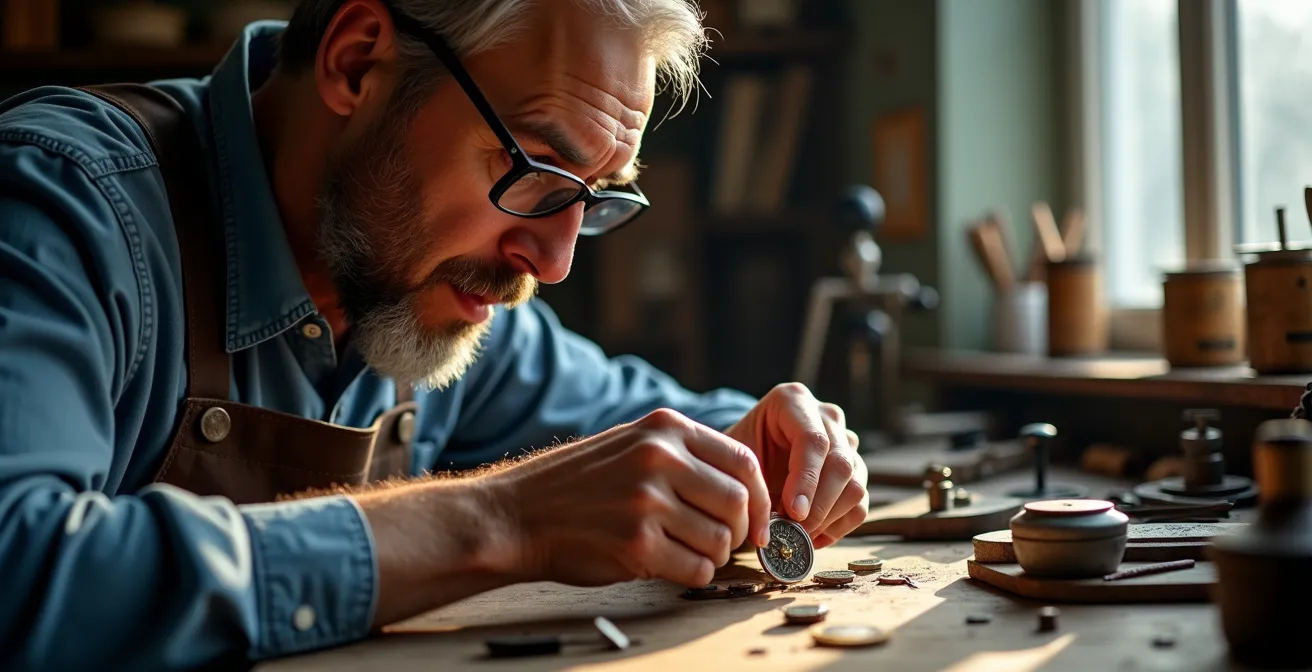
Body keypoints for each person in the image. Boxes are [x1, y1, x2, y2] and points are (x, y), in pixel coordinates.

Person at [0, 0, 868, 668]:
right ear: (357, 61)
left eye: (595, 194)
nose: (554, 262)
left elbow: (648, 422)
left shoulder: (434, 293)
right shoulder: (62, 209)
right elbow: (21, 571)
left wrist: (763, 444)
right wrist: (497, 518)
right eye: (531, 168)